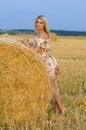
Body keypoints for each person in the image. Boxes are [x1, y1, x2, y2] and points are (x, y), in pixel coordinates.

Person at [20, 15, 65, 114]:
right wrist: (27, 43)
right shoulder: (41, 34)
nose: (38, 24)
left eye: (41, 22)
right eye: (37, 22)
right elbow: (37, 47)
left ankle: (62, 108)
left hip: (45, 63)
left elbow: (34, 51)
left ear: (44, 24)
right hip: (49, 61)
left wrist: (26, 43)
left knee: (53, 87)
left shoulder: (41, 35)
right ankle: (58, 108)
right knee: (55, 86)